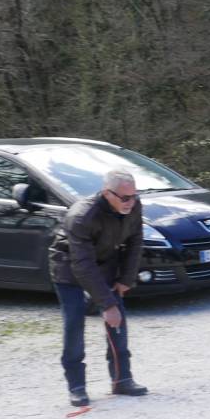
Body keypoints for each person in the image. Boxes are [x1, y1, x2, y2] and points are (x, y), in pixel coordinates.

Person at [48, 170, 149, 406]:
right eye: (125, 198)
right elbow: (82, 265)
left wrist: (126, 279)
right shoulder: (82, 216)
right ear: (106, 193)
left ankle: (122, 380)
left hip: (105, 264)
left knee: (118, 323)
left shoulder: (133, 206)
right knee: (75, 324)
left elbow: (135, 241)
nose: (131, 202)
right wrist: (107, 304)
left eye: (134, 196)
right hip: (69, 268)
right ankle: (77, 387)